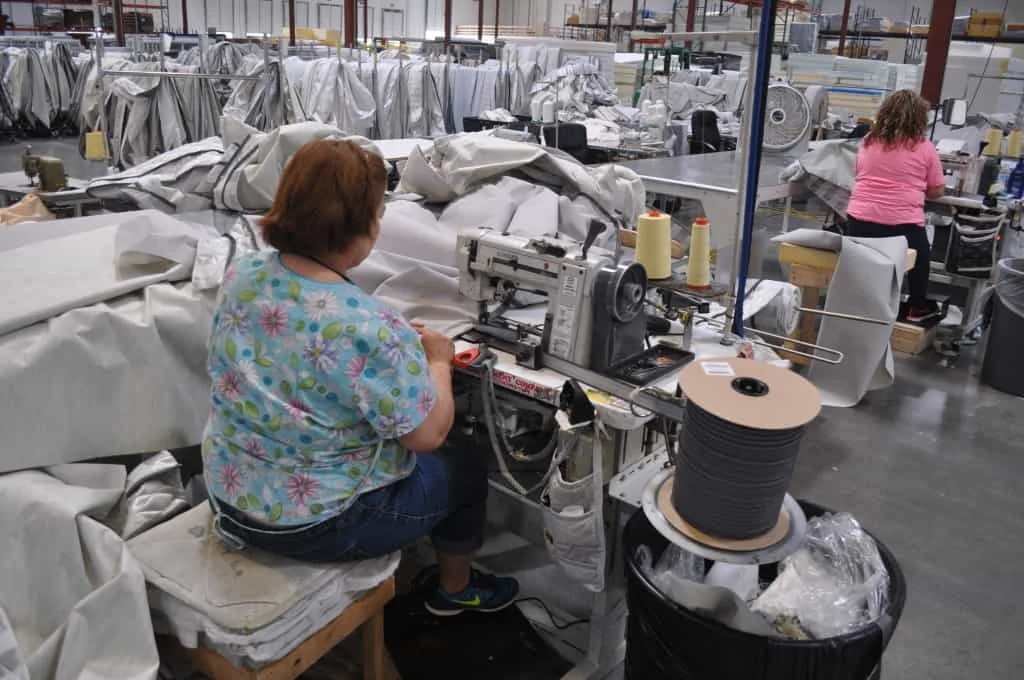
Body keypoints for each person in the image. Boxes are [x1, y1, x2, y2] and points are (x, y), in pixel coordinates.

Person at [201, 138, 518, 616]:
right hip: (317, 524)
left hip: (230, 494)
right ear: (365, 227)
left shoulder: (241, 275)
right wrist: (436, 361)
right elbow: (428, 435)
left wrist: (389, 352)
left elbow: (301, 353)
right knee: (465, 465)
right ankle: (455, 590)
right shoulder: (371, 326)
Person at [846, 89, 945, 322]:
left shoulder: (869, 141)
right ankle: (916, 307)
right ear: (920, 118)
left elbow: (860, 172)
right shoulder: (924, 147)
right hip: (902, 225)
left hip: (860, 220)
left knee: (866, 261)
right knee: (921, 258)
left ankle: (861, 303)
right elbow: (937, 190)